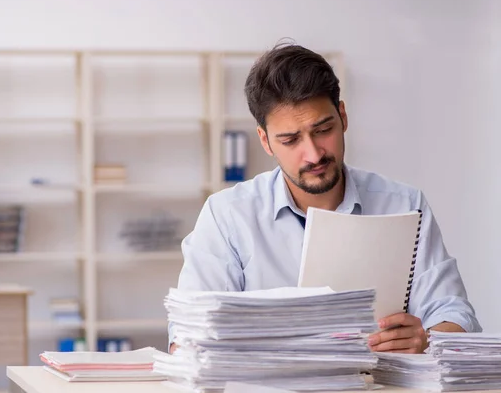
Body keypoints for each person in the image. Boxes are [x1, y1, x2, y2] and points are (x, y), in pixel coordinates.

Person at [170, 43, 481, 354]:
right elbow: (186, 339)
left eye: (323, 129)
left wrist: (427, 338)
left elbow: (454, 313)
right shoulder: (227, 215)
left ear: (342, 116)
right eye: (290, 140)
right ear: (265, 141)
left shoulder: (404, 204)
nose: (314, 153)